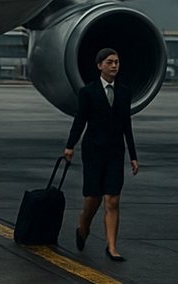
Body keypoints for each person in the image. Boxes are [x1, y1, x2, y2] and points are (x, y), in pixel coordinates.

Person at [63, 47, 139, 262]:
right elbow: (80, 121)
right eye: (109, 62)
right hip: (93, 151)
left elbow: (127, 125)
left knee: (112, 200)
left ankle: (112, 247)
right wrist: (70, 145)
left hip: (115, 151)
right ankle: (83, 225)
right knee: (93, 198)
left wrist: (133, 155)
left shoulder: (124, 92)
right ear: (100, 66)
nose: (114, 66)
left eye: (116, 62)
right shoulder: (88, 92)